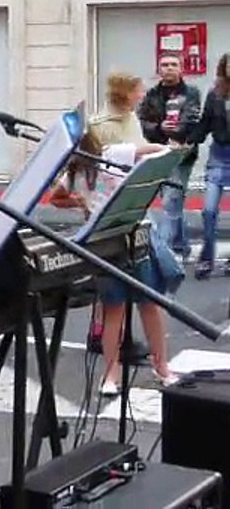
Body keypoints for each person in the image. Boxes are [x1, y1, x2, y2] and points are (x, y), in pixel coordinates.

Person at [50, 128, 178, 394]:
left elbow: (151, 149)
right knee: (114, 309)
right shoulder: (73, 175)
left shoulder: (112, 155)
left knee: (149, 304)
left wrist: (164, 157)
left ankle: (161, 366)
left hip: (135, 236)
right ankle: (111, 373)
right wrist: (77, 202)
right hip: (105, 243)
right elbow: (55, 198)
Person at [85, 72, 151, 357]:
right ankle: (105, 335)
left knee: (119, 274)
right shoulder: (102, 125)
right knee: (110, 276)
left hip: (127, 199)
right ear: (127, 92)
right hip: (105, 203)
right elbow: (111, 158)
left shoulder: (131, 118)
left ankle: (114, 334)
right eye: (139, 89)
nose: (143, 94)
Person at [138, 53, 202, 259]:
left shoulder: (191, 93)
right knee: (174, 200)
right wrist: (159, 127)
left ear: (181, 68)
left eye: (173, 64)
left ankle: (162, 252)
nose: (169, 68)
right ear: (159, 69)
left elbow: (190, 120)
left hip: (182, 153)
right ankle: (181, 245)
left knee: (170, 201)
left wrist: (172, 131)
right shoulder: (151, 95)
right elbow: (141, 121)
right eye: (164, 65)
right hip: (158, 151)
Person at [187, 52, 230, 278]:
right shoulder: (215, 94)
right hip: (219, 157)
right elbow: (204, 124)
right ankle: (207, 258)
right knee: (209, 210)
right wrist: (187, 141)